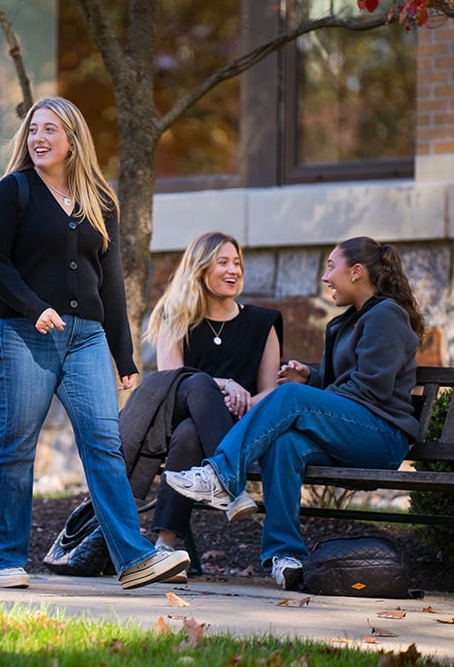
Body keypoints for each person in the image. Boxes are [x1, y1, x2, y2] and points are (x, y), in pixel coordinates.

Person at [0, 96, 190, 590]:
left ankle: (133, 557)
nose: (39, 139)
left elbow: (110, 282)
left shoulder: (100, 199)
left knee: (104, 444)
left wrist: (123, 353)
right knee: (16, 443)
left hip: (88, 337)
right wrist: (35, 307)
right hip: (23, 332)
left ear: (74, 140)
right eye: (33, 130)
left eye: (51, 130)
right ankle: (2, 560)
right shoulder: (14, 190)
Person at [164, 236, 424, 590]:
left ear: (357, 271)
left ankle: (222, 473)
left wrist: (308, 395)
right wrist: (312, 378)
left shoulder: (387, 315)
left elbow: (373, 389)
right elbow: (347, 382)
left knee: (290, 397)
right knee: (285, 443)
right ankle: (286, 555)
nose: (326, 277)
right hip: (351, 431)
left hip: (381, 436)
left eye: (332, 267)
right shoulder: (346, 322)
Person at [142, 231, 282, 581]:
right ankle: (233, 488)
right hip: (185, 411)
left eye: (237, 263)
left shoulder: (262, 323)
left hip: (242, 426)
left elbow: (270, 392)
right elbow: (172, 381)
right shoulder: (176, 318)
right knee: (196, 398)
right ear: (201, 269)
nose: (233, 269)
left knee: (190, 436)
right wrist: (224, 384)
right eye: (223, 262)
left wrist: (244, 400)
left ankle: (165, 546)